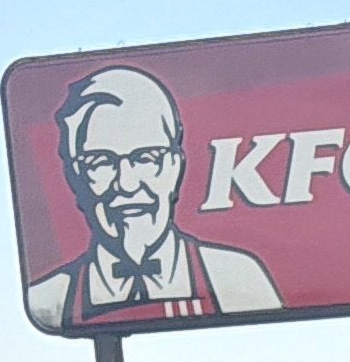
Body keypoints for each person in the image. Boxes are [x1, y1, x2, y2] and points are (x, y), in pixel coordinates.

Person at [23, 65, 279, 333]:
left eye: (146, 158)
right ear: (75, 176)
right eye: (101, 162)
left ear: (175, 166)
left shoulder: (236, 277)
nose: (127, 184)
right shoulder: (49, 302)